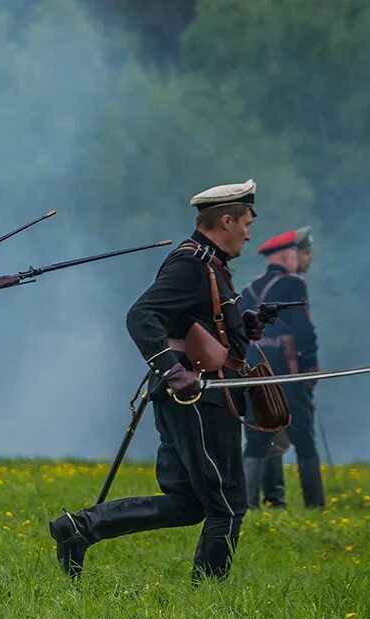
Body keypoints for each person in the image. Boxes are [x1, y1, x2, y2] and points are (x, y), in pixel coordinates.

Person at [49, 180, 266, 582]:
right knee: (228, 504)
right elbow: (141, 316)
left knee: (187, 503)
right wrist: (173, 370)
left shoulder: (210, 264)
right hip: (198, 399)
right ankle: (207, 605)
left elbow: (194, 320)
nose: (250, 234)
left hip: (197, 397)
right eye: (247, 224)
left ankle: (81, 527)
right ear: (225, 220)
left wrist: (242, 328)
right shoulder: (192, 263)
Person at [241, 226, 323, 508]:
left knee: (257, 437)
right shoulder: (295, 284)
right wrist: (310, 365)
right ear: (289, 255)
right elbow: (303, 330)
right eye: (305, 253)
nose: (309, 258)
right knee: (303, 437)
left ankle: (249, 503)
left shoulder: (247, 290)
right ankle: (315, 505)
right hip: (288, 372)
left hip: (254, 371)